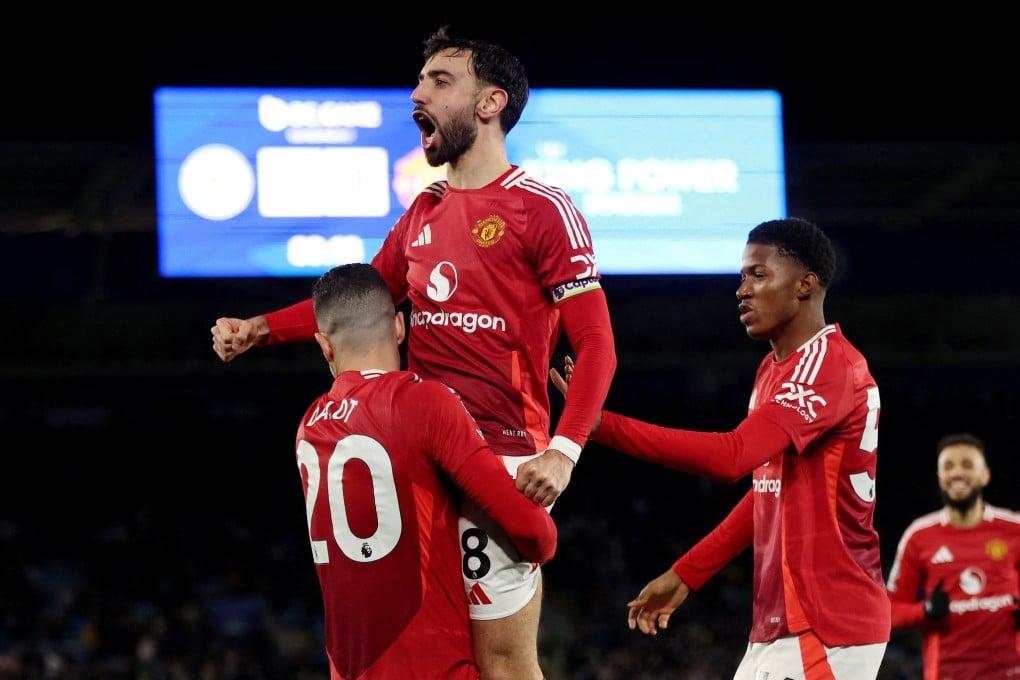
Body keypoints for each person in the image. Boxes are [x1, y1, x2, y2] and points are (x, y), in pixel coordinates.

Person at [210, 25, 616, 680]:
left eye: (439, 81)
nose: (416, 94)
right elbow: (364, 298)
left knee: (502, 663)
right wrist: (261, 328)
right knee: (419, 652)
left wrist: (563, 453)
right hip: (419, 461)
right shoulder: (423, 210)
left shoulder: (542, 208)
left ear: (490, 102)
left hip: (502, 459)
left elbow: (596, 342)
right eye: (420, 79)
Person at [552, 217, 890, 678]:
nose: (742, 290)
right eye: (742, 277)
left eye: (758, 275)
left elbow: (731, 457)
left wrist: (603, 425)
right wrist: (687, 572)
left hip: (827, 623)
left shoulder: (826, 365)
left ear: (805, 285)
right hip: (785, 624)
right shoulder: (775, 370)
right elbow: (767, 495)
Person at [297, 262, 557, 678]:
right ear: (400, 327)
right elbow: (533, 533)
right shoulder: (424, 403)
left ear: (324, 345)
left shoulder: (309, 426)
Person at [886, 432, 1020, 679]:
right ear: (939, 477)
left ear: (985, 475)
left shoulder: (1014, 528)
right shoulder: (919, 536)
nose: (957, 473)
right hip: (947, 673)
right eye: (948, 466)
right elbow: (889, 611)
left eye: (967, 465)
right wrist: (925, 610)